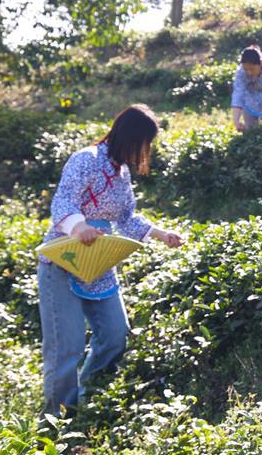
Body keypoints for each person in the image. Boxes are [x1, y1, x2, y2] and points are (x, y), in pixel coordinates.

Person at [36, 103, 184, 416]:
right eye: (145, 143)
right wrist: (80, 227)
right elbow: (63, 202)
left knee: (116, 335)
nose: (146, 151)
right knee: (68, 347)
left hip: (98, 262)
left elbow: (126, 217)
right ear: (130, 137)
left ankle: (89, 398)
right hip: (65, 258)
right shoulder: (86, 159)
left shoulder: (122, 172)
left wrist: (162, 234)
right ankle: (59, 419)